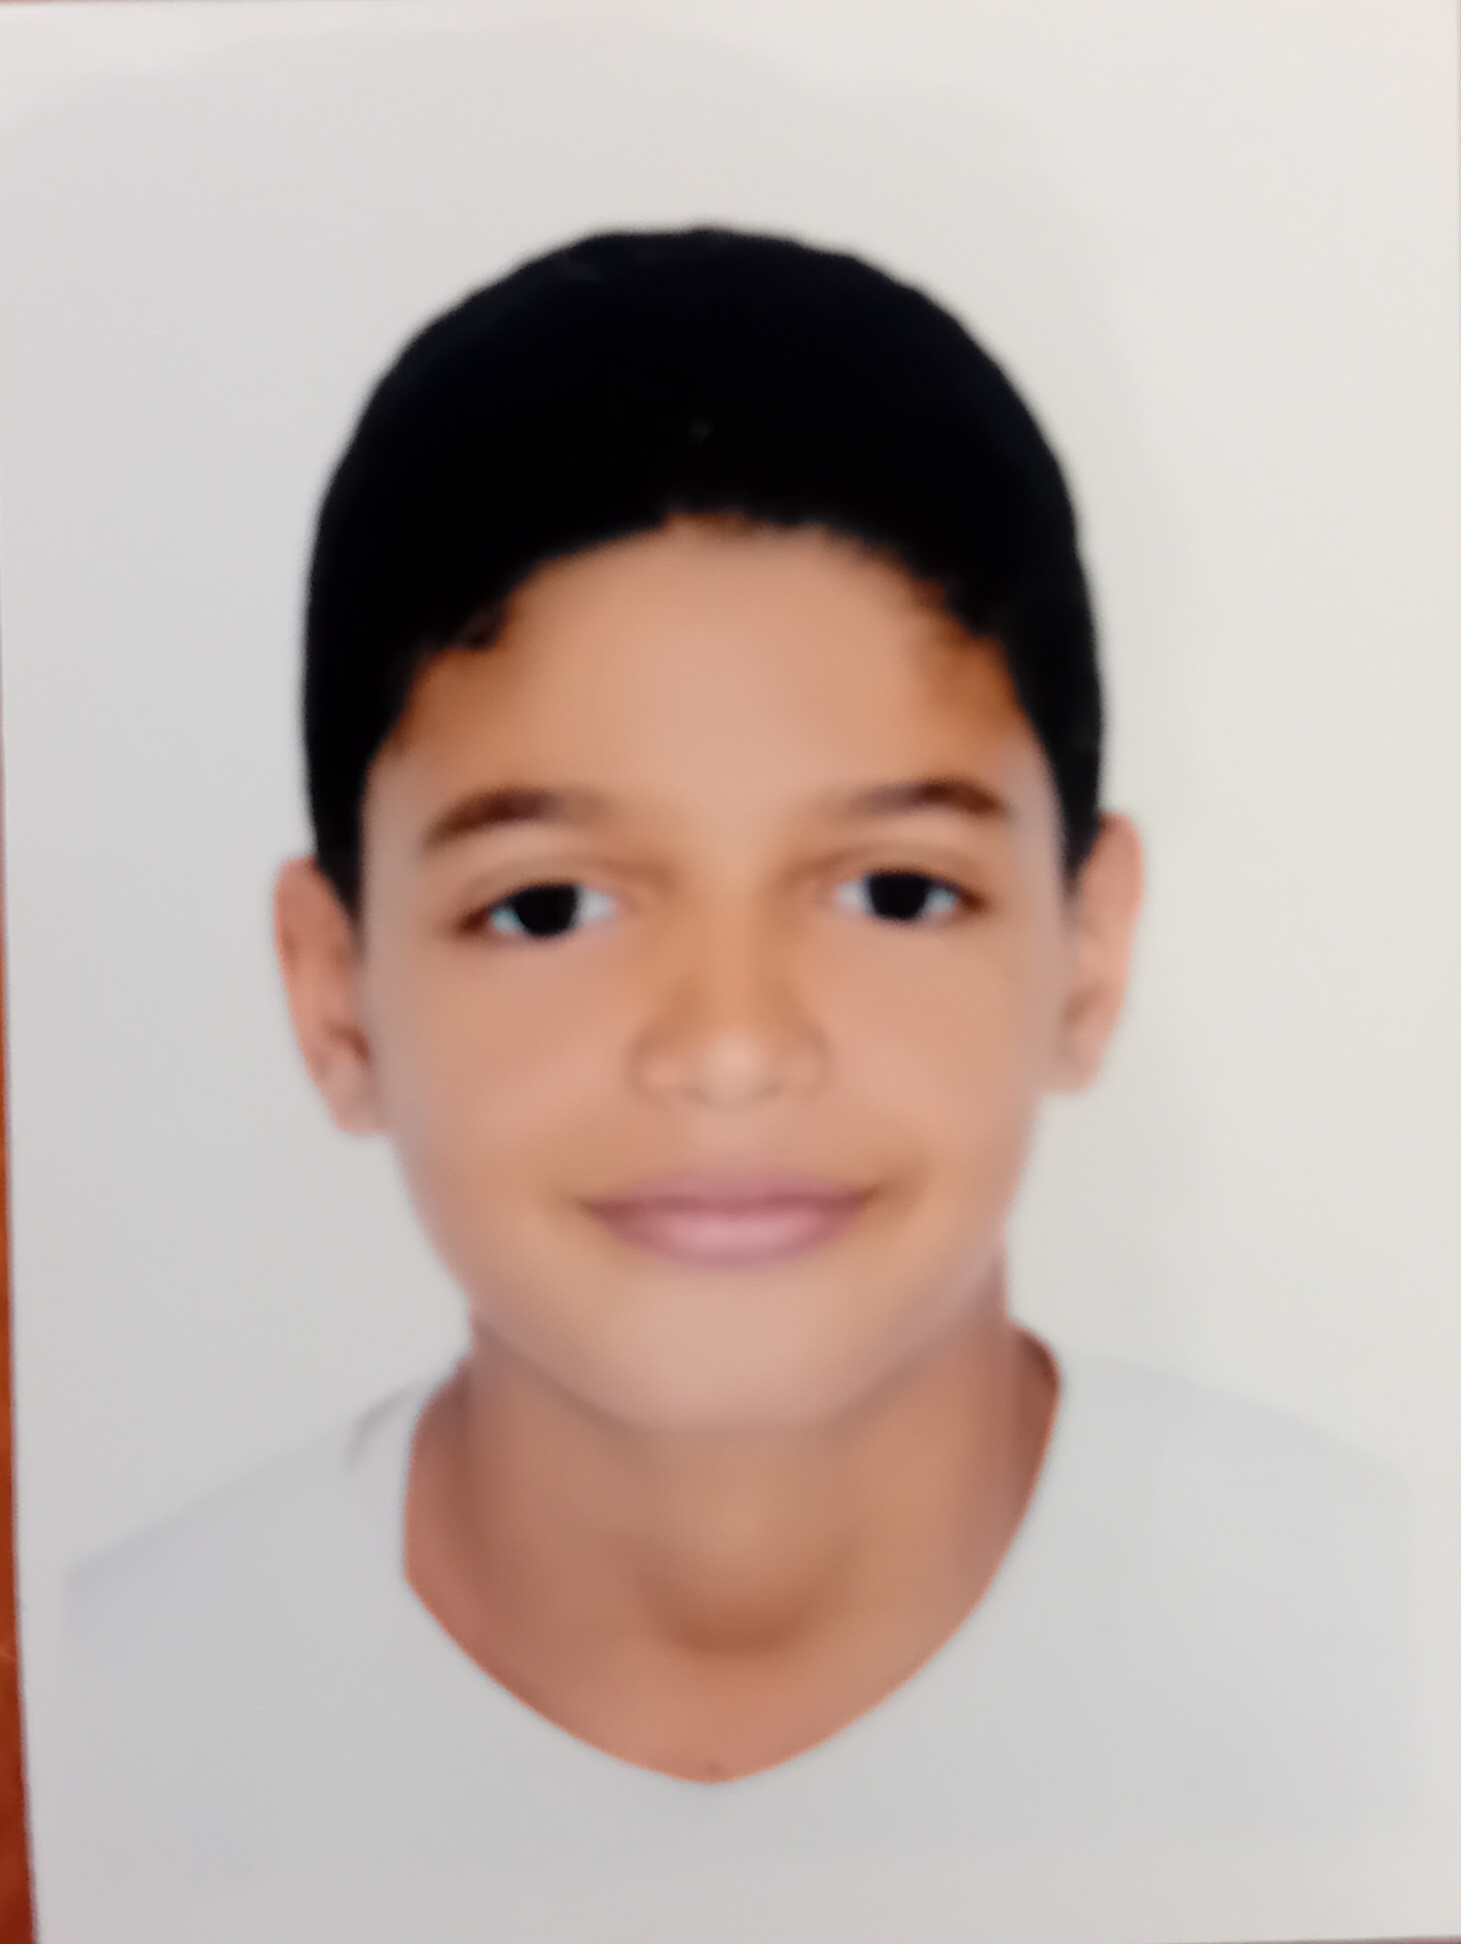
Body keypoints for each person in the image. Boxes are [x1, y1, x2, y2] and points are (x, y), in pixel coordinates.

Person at [61, 228, 1409, 1940]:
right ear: (336, 997)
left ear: (1087, 950)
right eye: (548, 906)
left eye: (893, 892)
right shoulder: (87, 1745)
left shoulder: (1392, 1659)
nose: (726, 1047)